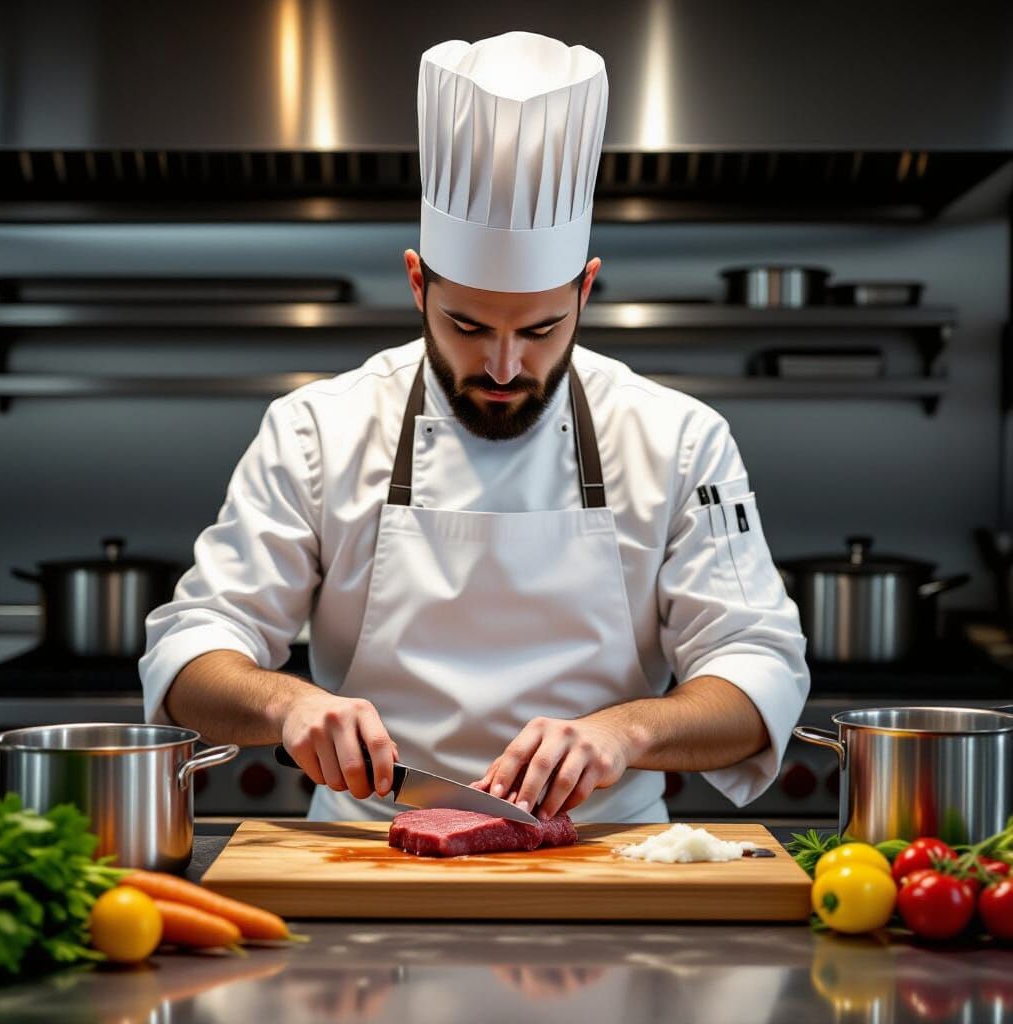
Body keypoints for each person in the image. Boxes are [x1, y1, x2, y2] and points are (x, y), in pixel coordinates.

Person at [140, 31, 809, 825]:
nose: (500, 367)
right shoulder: (318, 430)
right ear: (418, 281)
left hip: (602, 859)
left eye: (538, 331)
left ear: (585, 291)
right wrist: (286, 703)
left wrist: (627, 731)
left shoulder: (679, 438)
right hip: (365, 857)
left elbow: (758, 665)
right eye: (465, 324)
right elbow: (191, 653)